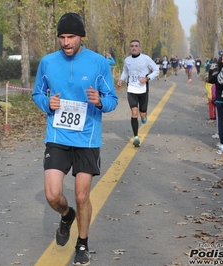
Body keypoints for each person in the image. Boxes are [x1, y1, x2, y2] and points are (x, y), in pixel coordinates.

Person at [32, 12, 118, 266]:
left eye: (71, 37)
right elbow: (37, 93)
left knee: (82, 196)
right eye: (62, 37)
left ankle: (82, 244)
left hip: (87, 139)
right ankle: (66, 215)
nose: (66, 42)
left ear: (81, 37)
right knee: (52, 194)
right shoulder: (47, 62)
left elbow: (112, 99)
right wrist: (47, 103)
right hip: (58, 135)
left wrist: (100, 101)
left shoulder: (98, 63)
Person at [117, 39, 159, 147]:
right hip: (131, 89)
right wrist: (121, 79)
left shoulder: (145, 58)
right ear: (130, 48)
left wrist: (147, 78)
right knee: (134, 112)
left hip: (143, 89)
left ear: (140, 48)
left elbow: (156, 70)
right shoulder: (127, 60)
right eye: (132, 46)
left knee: (142, 114)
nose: (134, 48)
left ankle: (144, 116)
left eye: (136, 46)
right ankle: (136, 137)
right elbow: (125, 71)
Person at [208, 57, 223, 149]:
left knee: (221, 121)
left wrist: (211, 70)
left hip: (220, 99)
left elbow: (210, 80)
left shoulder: (218, 75)